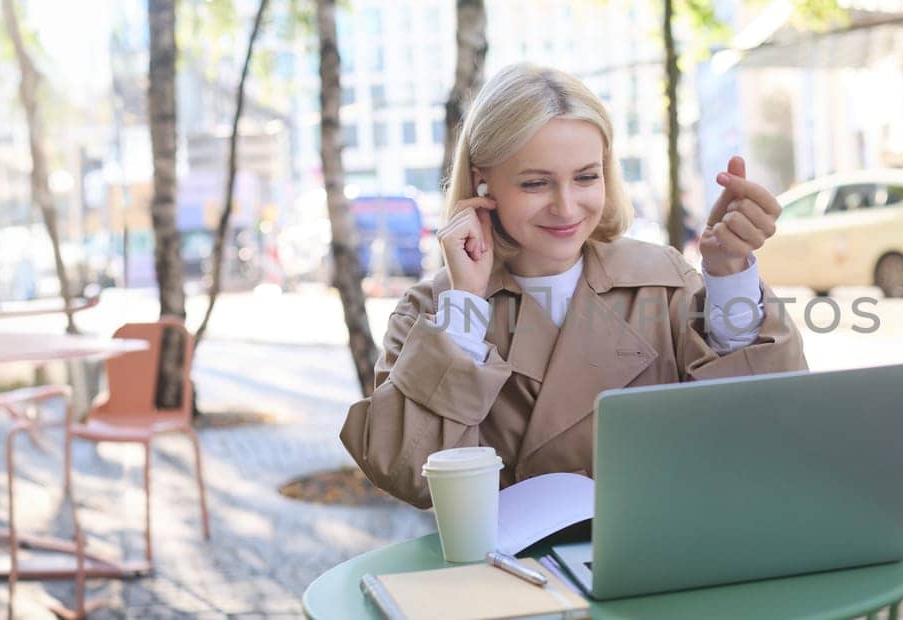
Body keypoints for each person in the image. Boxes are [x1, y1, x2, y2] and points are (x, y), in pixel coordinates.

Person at [340, 64, 807, 509]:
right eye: (536, 183)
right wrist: (464, 302)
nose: (566, 208)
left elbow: (767, 426)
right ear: (484, 183)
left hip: (662, 559)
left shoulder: (663, 280)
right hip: (511, 578)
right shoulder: (432, 310)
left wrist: (729, 273)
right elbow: (407, 473)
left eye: (586, 177)